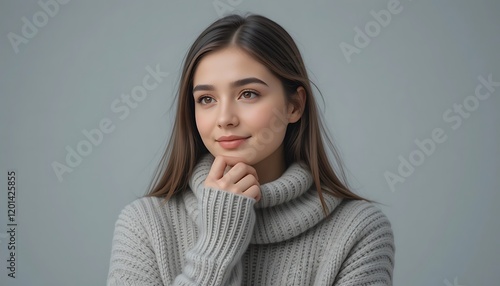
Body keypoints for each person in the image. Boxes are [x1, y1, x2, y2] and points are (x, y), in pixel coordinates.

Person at [107, 13, 395, 286]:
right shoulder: (144, 224)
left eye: (248, 94)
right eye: (206, 99)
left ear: (294, 106)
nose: (224, 118)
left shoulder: (359, 229)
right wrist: (218, 244)